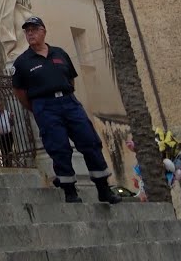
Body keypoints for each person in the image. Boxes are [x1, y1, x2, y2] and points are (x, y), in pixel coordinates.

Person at [11, 16, 121, 204]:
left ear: (43, 31)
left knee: (90, 141)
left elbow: (70, 79)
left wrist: (65, 95)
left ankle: (103, 189)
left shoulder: (60, 53)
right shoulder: (22, 62)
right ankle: (70, 191)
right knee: (59, 147)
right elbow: (19, 91)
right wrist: (37, 107)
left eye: (34, 29)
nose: (30, 33)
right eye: (27, 31)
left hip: (69, 102)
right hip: (45, 106)